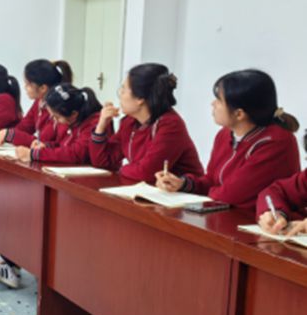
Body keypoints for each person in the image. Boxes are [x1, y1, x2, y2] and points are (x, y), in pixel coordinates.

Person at [155, 70, 300, 208]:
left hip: (258, 221)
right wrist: (182, 183)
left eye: (219, 100)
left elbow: (231, 195)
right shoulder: (225, 134)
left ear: (239, 114)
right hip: (225, 214)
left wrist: (208, 191)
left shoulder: (276, 142)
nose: (213, 104)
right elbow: (212, 180)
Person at [90, 63, 204, 181]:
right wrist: (101, 126)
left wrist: (122, 170)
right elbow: (103, 162)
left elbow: (147, 172)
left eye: (123, 90)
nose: (120, 96)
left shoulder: (171, 125)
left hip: (181, 191)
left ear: (140, 99)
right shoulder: (129, 122)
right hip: (146, 188)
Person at [14, 83, 109, 164]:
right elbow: (62, 145)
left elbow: (76, 154)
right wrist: (46, 145)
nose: (54, 120)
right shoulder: (69, 120)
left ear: (74, 114)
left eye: (57, 117)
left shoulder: (94, 123)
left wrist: (34, 155)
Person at [0, 59, 73, 147]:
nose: (25, 87)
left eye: (28, 84)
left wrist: (8, 134)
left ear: (43, 88)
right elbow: (24, 127)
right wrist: (1, 134)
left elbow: (42, 141)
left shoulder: (58, 108)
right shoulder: (39, 102)